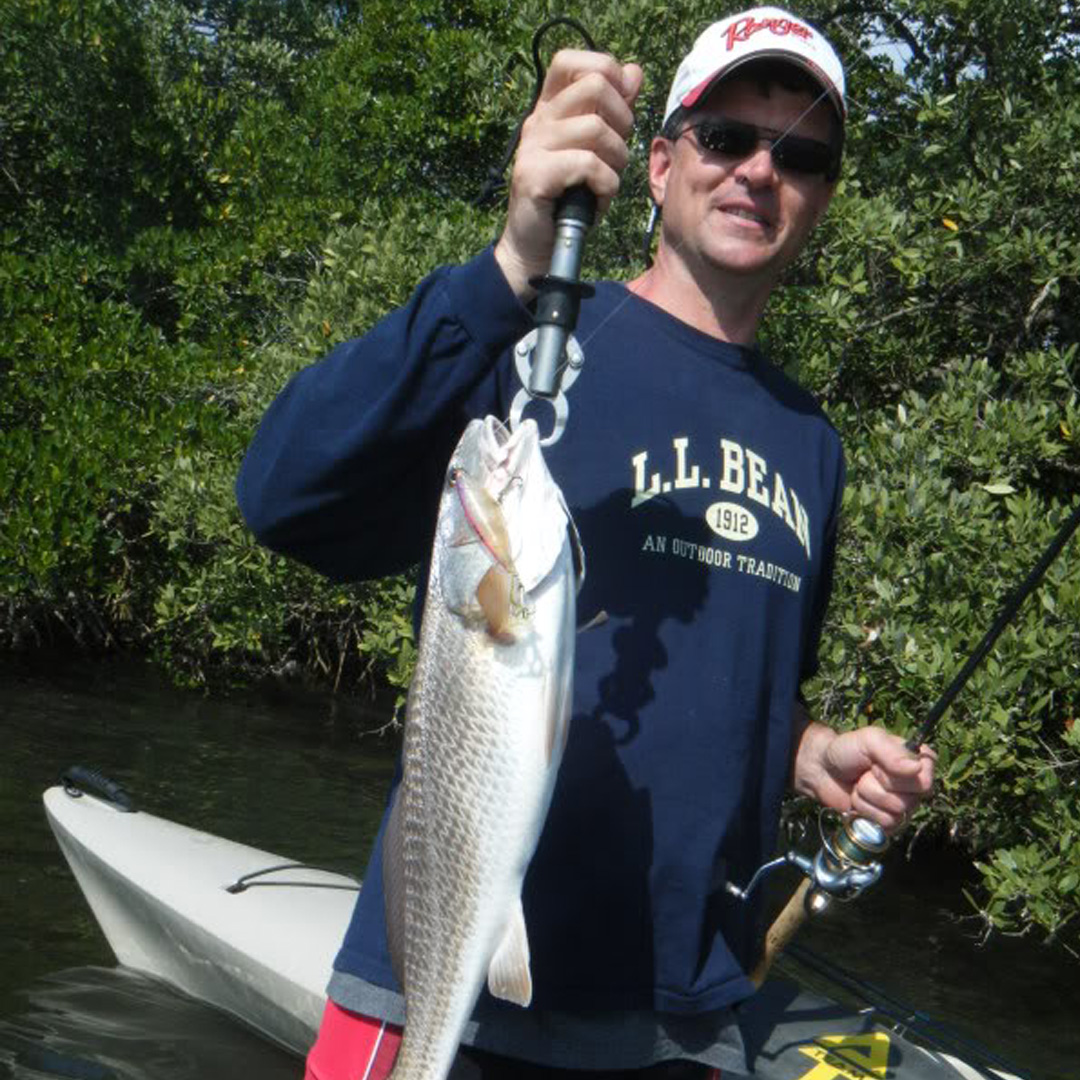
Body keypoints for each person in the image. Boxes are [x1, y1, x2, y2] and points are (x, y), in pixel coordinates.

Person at [237, 7, 936, 1078]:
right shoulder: (532, 350)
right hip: (442, 984)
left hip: (668, 1017)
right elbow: (284, 493)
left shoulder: (813, 444)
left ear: (822, 196)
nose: (760, 170)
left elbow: (748, 679)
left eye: (799, 153)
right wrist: (513, 257)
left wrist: (810, 753)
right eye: (726, 138)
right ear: (658, 165)